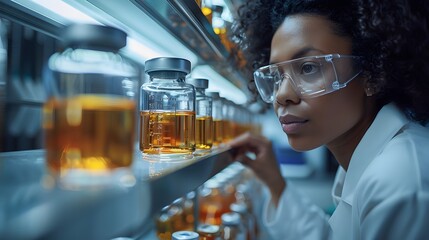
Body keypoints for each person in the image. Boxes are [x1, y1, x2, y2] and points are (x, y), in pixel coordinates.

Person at [228, 0, 429, 239]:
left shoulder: (400, 179)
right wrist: (274, 182)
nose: (282, 95)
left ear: (373, 74)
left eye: (309, 68)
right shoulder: (362, 158)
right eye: (276, 75)